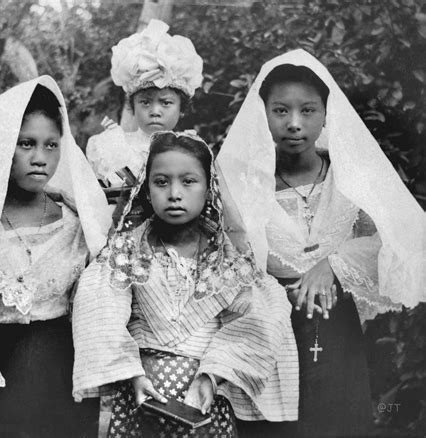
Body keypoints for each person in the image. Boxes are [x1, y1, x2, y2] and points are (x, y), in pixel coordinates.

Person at [217, 49, 426, 437]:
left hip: (336, 330)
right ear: (262, 114)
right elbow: (223, 260)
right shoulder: (241, 184)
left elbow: (407, 237)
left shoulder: (350, 177)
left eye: (308, 110)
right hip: (267, 333)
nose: (294, 124)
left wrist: (334, 263)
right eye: (280, 111)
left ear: (326, 113)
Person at [72, 131, 299, 437]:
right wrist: (133, 376)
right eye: (161, 182)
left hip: (204, 399)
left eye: (188, 181)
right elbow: (101, 314)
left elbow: (259, 319)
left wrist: (213, 377)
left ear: (208, 188)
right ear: (147, 189)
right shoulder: (126, 252)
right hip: (142, 395)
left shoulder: (228, 258)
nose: (174, 193)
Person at [0, 76, 111, 437]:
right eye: (26, 144)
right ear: (2, 146)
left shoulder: (76, 223)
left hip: (62, 385)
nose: (40, 158)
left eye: (51, 145)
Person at [86, 19, 203, 189]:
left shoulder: (193, 150)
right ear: (133, 107)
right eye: (145, 102)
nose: (155, 111)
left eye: (166, 103)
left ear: (181, 109)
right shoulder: (109, 146)